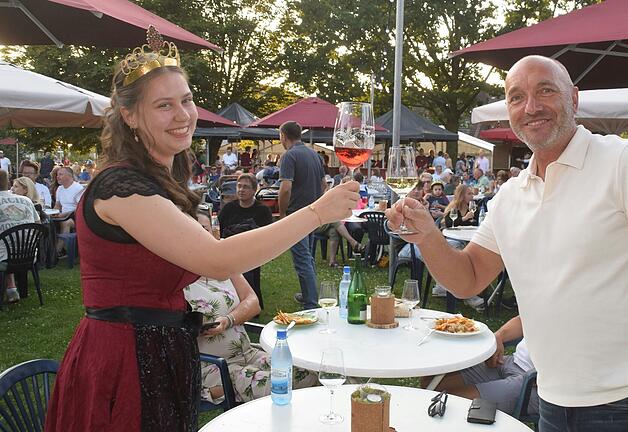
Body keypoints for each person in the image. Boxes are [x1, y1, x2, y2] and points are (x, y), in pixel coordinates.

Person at [44, 28, 360, 432]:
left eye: (187, 100)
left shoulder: (157, 180)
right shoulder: (120, 188)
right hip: (123, 362)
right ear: (129, 115)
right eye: (164, 105)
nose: (183, 115)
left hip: (162, 354)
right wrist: (316, 212)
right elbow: (217, 259)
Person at [386, 55, 628, 431]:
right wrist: (428, 236)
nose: (531, 107)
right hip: (551, 398)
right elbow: (468, 278)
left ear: (573, 99)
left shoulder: (625, 163)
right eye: (516, 97)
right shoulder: (510, 196)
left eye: (545, 90)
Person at [185, 211, 316, 404]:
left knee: (308, 371)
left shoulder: (224, 267)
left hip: (248, 353)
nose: (199, 235)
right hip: (216, 366)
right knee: (280, 383)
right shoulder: (178, 280)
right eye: (192, 230)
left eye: (203, 229)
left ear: (214, 234)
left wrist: (228, 320)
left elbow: (253, 302)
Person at [423, 316, 537, 417]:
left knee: (450, 403)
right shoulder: (547, 298)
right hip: (513, 362)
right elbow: (525, 318)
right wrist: (498, 337)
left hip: (536, 383)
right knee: (431, 382)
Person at [278, 120, 327, 309]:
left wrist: (282, 213)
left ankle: (311, 303)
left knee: (302, 259)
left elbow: (285, 189)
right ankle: (309, 293)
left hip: (296, 214)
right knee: (309, 256)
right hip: (312, 212)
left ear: (283, 136)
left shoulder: (290, 156)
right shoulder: (314, 154)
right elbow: (323, 185)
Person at [218, 173, 273, 309]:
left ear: (254, 190)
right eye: (239, 186)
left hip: (252, 251)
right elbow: (219, 228)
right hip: (229, 248)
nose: (241, 190)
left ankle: (250, 303)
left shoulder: (262, 211)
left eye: (246, 187)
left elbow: (267, 235)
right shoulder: (229, 208)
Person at [0, 171, 40, 304]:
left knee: (4, 247)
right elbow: (37, 224)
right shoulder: (26, 200)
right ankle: (12, 289)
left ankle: (11, 289)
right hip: (28, 255)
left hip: (5, 258)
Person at [53, 166, 84, 257]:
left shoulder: (78, 188)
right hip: (61, 215)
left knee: (66, 222)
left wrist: (64, 214)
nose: (57, 177)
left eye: (60, 174)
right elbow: (58, 204)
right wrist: (54, 212)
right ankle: (51, 249)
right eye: (57, 174)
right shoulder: (60, 189)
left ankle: (57, 251)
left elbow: (79, 208)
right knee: (48, 222)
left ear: (69, 176)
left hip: (75, 217)